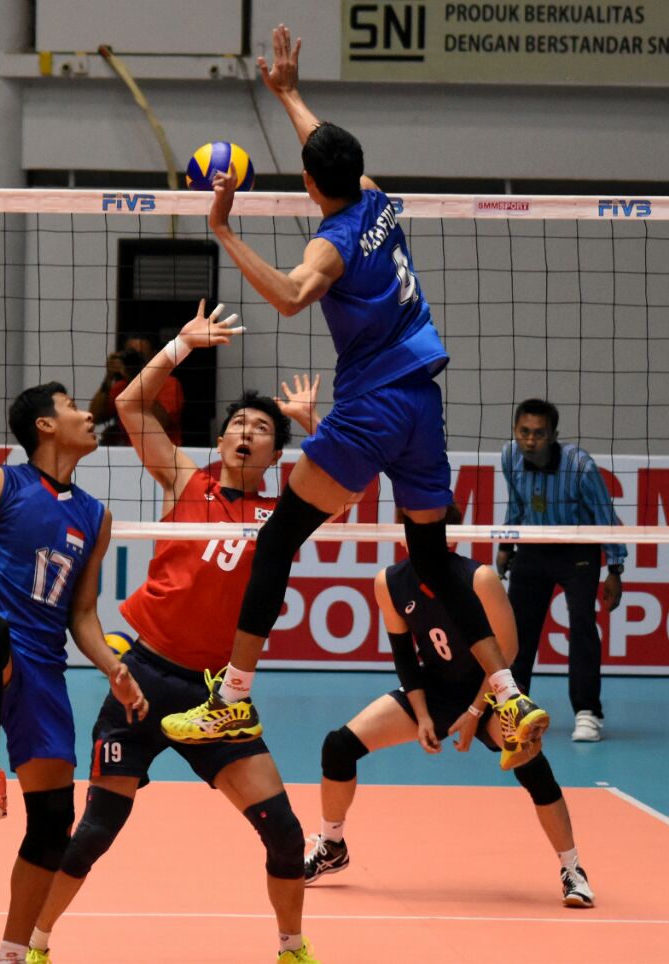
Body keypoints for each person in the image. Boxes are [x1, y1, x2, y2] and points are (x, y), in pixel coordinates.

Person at [160, 24, 546, 752]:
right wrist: (290, 94)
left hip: (370, 410)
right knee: (433, 558)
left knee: (276, 541)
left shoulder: (330, 241)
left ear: (309, 186)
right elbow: (329, 151)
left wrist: (224, 228)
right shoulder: (377, 199)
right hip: (421, 404)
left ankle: (233, 699)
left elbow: (290, 295)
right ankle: (509, 693)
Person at [25, 302, 321, 964]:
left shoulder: (287, 510)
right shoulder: (188, 478)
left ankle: (292, 948)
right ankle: (35, 946)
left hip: (219, 701)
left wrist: (316, 427)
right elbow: (131, 406)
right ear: (220, 442)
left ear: (276, 451)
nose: (248, 432)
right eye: (239, 424)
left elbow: (348, 493)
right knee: (97, 829)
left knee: (283, 831)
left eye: (263, 429)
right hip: (145, 679)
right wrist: (180, 345)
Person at [0, 383, 146, 964]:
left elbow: (85, 614)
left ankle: (12, 953)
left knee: (52, 823)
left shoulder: (96, 515)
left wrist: (115, 667)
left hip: (46, 671)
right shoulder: (2, 482)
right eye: (73, 408)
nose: (88, 415)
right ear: (45, 425)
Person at [304, 511, 595, 909]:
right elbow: (405, 658)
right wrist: (423, 716)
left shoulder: (479, 579)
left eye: (432, 532)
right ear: (402, 537)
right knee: (338, 746)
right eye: (412, 531)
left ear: (453, 539)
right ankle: (331, 845)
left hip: (490, 692)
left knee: (532, 762)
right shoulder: (389, 582)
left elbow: (506, 652)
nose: (419, 538)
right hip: (435, 690)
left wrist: (475, 713)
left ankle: (572, 869)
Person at [497, 398, 627, 742]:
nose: (530, 440)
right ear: (515, 431)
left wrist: (615, 568)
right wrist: (506, 545)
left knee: (583, 623)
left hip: (577, 551)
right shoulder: (509, 456)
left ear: (553, 435)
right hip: (532, 547)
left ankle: (587, 713)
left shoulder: (580, 467)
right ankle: (515, 710)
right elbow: (517, 503)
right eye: (524, 432)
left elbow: (605, 517)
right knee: (517, 633)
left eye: (539, 433)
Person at [88, 334, 183, 445]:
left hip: (161, 455)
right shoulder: (122, 386)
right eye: (131, 354)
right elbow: (95, 418)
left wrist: (135, 379)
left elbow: (160, 422)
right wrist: (108, 378)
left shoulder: (169, 383)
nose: (135, 360)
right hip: (128, 453)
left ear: (154, 355)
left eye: (140, 355)